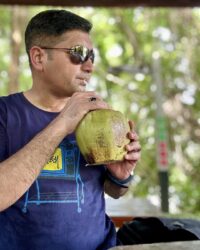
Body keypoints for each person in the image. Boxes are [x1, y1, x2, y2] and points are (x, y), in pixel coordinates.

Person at [0, 9, 141, 250]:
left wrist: (120, 176)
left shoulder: (96, 117)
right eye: (78, 53)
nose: (89, 66)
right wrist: (63, 123)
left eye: (92, 56)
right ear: (39, 57)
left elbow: (112, 192)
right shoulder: (5, 114)